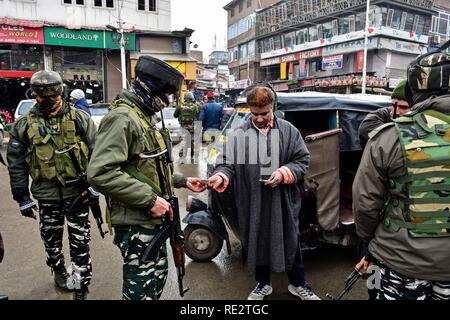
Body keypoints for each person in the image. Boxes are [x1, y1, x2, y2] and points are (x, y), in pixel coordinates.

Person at [86, 56, 207, 300]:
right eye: (166, 97)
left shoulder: (143, 117)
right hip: (135, 222)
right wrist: (149, 200)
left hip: (151, 220)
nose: (168, 103)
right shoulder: (123, 118)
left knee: (154, 283)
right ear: (151, 91)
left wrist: (183, 181)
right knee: (139, 291)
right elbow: (100, 172)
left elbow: (150, 166)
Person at [353, 48, 450, 300]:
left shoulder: (390, 137)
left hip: (398, 263)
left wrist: (368, 242)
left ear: (414, 90)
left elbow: (365, 203)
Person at [208, 85, 320, 300]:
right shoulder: (239, 134)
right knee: (255, 239)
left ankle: (298, 283)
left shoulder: (288, 131)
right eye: (254, 114)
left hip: (283, 201)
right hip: (251, 200)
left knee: (290, 240)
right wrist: (221, 175)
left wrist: (285, 171)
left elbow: (302, 160)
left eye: (264, 113)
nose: (259, 118)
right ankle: (262, 284)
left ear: (273, 108)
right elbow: (226, 162)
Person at [7, 71, 97, 300]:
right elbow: (16, 163)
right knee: (52, 242)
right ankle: (59, 271)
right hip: (46, 196)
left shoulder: (79, 118)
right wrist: (23, 198)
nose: (48, 103)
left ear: (61, 94)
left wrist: (96, 185)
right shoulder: (23, 125)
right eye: (41, 98)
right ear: (34, 96)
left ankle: (79, 286)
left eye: (53, 98)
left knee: (80, 243)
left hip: (78, 194)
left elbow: (98, 152)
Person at [358, 79, 412, 148]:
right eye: (393, 105)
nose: (397, 112)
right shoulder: (387, 114)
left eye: (403, 107)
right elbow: (366, 127)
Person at [174, 91, 199, 159]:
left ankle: (182, 154)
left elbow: (175, 115)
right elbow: (197, 116)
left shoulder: (180, 106)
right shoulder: (194, 106)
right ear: (192, 98)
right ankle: (192, 155)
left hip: (183, 126)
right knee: (192, 140)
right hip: (192, 126)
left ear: (185, 97)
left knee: (183, 140)